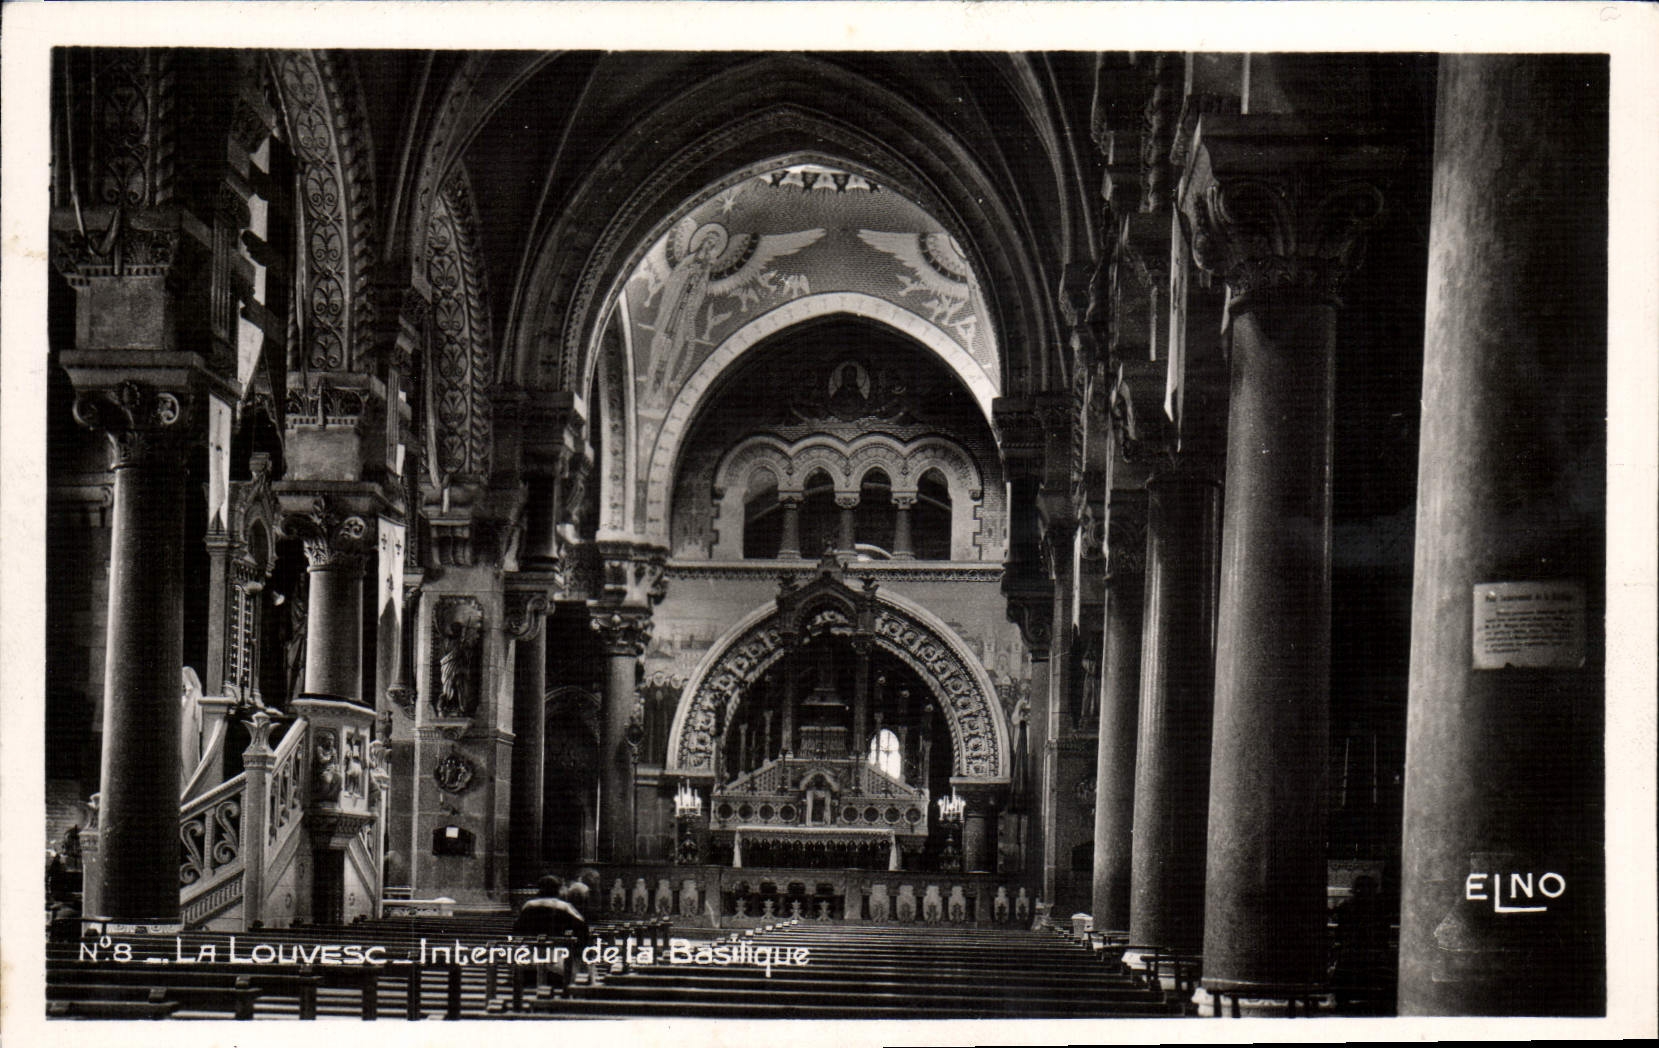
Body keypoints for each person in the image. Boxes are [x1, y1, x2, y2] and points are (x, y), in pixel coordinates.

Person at [514, 875, 589, 942]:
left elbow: (518, 927)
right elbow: (582, 926)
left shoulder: (529, 905)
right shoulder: (564, 906)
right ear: (557, 890)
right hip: (559, 944)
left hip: (532, 944)